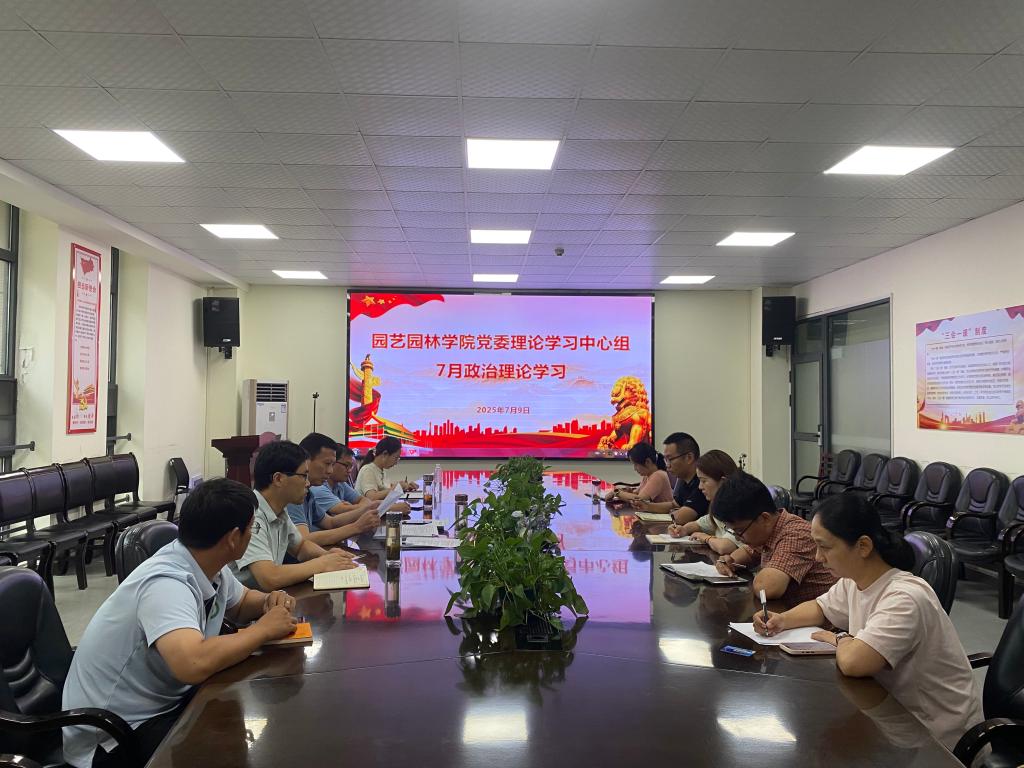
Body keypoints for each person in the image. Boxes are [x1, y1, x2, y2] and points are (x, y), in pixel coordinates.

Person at [62, 478, 300, 768]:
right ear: (233, 538)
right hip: (115, 734)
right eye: (252, 528)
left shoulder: (206, 563)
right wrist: (262, 631)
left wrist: (267, 602)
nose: (253, 535)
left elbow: (240, 602)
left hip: (163, 704)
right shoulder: (166, 583)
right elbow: (192, 663)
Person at [754, 494, 983, 750]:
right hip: (892, 716)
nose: (818, 557)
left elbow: (854, 663)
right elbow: (820, 608)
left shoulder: (904, 597)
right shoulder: (854, 580)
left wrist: (840, 638)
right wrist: (781, 620)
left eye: (825, 547)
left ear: (863, 546)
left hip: (936, 736)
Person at [232, 440, 359, 591]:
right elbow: (269, 577)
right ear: (278, 479)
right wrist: (322, 564)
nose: (308, 483)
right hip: (240, 603)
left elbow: (300, 547)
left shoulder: (279, 510)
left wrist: (327, 555)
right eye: (304, 476)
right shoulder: (252, 515)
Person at [712, 470, 837, 606]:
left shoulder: (796, 534)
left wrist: (757, 576)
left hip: (822, 617)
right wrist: (728, 562)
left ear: (764, 518)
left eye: (740, 531)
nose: (738, 538)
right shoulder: (769, 530)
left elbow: (767, 589)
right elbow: (748, 552)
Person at [287, 432, 381, 547]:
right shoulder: (293, 493)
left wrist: (367, 509)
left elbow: (330, 522)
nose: (330, 471)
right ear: (306, 461)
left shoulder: (308, 493)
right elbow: (303, 540)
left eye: (332, 465)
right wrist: (356, 527)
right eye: (327, 464)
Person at [668, 449, 740, 554]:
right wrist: (683, 529)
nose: (700, 487)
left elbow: (725, 547)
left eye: (704, 481)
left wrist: (706, 538)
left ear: (723, 482)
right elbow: (702, 523)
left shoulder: (738, 507)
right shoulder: (720, 506)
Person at [631, 432, 708, 524]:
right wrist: (646, 506)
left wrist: (675, 512)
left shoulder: (702, 483)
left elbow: (681, 517)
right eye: (665, 460)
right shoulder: (685, 481)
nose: (667, 465)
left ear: (689, 458)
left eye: (670, 459)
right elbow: (673, 505)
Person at [605, 442, 673, 504]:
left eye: (636, 464)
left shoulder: (658, 475)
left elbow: (639, 500)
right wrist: (627, 492)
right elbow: (637, 494)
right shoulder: (647, 475)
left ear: (647, 462)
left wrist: (617, 492)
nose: (635, 469)